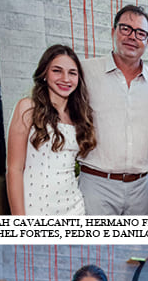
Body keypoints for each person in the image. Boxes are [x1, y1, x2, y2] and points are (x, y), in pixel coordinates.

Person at [78, 4, 148, 216]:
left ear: (147, 41)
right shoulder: (86, 72)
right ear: (113, 31)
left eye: (140, 33)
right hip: (96, 184)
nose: (132, 37)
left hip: (140, 188)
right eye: (125, 28)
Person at [6, 45, 95, 216]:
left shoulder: (78, 115)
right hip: (37, 207)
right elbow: (14, 169)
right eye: (57, 71)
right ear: (44, 73)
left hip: (74, 207)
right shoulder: (28, 108)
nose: (65, 78)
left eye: (72, 73)